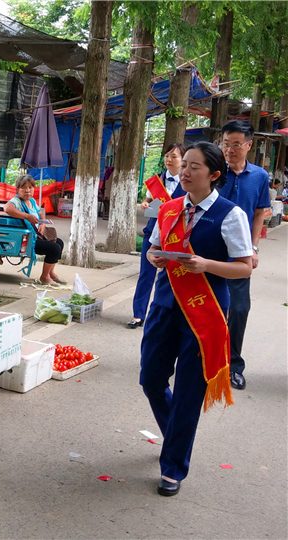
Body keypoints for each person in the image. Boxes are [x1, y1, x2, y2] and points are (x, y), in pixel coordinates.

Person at [140, 142, 252, 497]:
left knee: (189, 392)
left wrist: (206, 265)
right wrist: (156, 257)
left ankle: (173, 467)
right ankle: (176, 435)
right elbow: (153, 247)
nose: (185, 172)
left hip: (204, 314)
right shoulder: (169, 208)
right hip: (164, 306)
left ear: (214, 174)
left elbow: (244, 267)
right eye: (184, 164)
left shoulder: (230, 215)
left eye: (194, 167)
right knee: (151, 379)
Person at [215, 120, 270, 390]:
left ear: (249, 145)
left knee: (238, 309)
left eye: (236, 144)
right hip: (210, 251)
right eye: (226, 143)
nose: (230, 149)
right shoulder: (213, 171)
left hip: (240, 255)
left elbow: (259, 212)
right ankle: (200, 359)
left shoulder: (259, 176)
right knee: (208, 306)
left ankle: (233, 365)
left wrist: (254, 247)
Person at [128, 143, 186, 328]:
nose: (169, 159)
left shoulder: (188, 181)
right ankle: (138, 314)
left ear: (183, 160)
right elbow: (149, 202)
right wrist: (146, 204)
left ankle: (169, 315)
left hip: (177, 235)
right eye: (167, 155)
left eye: (174, 156)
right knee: (146, 273)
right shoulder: (157, 181)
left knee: (172, 275)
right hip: (154, 231)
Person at [3, 175, 65, 284]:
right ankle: (44, 277)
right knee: (54, 248)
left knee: (59, 242)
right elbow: (7, 208)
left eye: (30, 187)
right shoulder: (16, 201)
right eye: (23, 188)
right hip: (24, 239)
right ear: (18, 189)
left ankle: (51, 273)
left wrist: (43, 224)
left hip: (35, 236)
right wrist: (27, 216)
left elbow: (41, 213)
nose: (27, 190)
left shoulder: (32, 201)